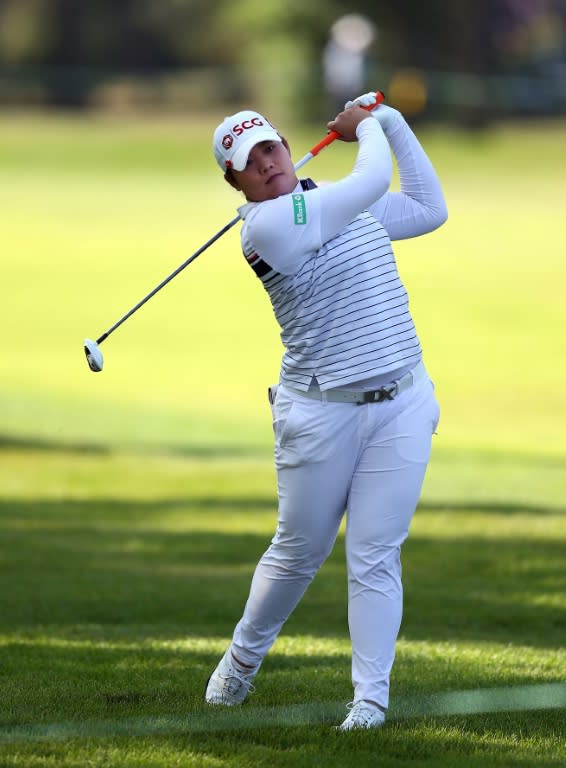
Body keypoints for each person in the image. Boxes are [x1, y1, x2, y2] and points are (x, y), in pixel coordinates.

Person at [205, 92, 447, 730]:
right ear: (235, 180)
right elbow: (370, 177)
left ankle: (369, 703)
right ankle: (240, 662)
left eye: (270, 146)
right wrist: (369, 127)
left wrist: (389, 122)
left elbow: (429, 207)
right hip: (319, 415)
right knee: (299, 551)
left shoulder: (340, 203)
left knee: (375, 554)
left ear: (288, 147)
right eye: (248, 160)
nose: (265, 162)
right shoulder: (267, 227)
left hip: (402, 402)